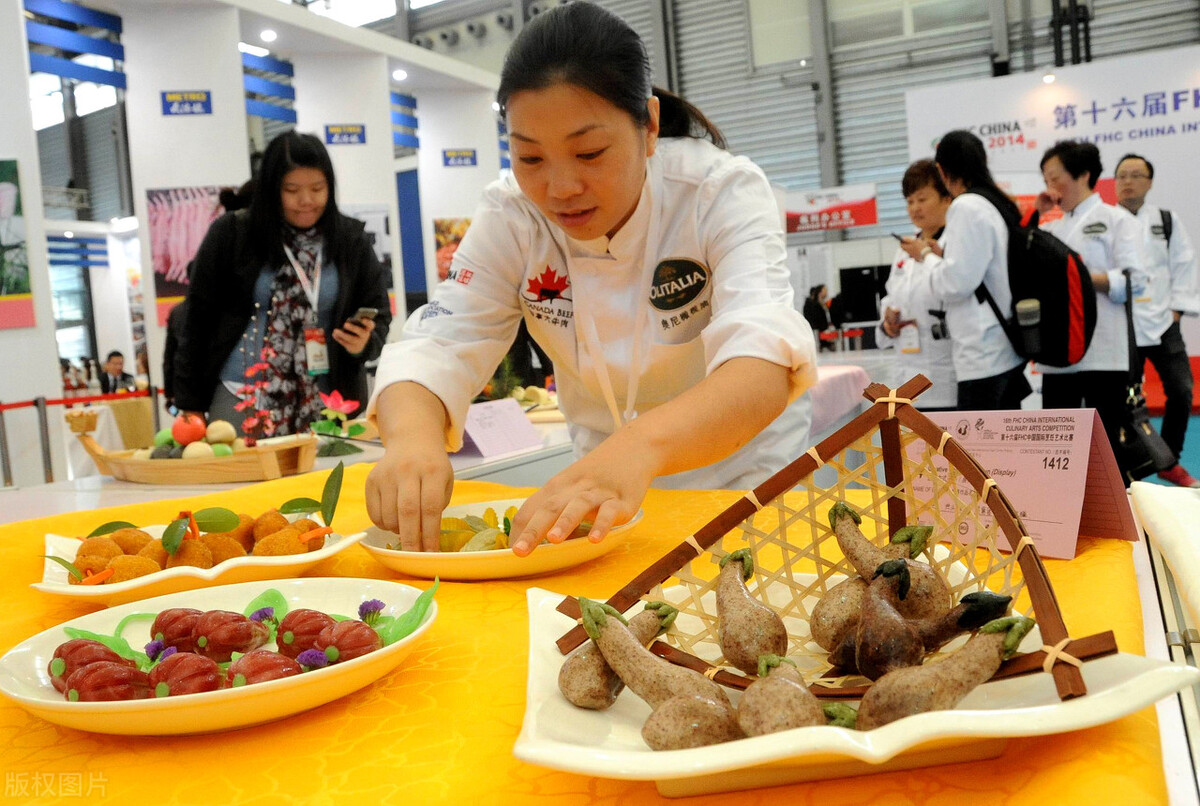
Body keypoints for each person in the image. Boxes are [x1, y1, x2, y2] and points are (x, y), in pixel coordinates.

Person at [365, 1, 817, 556]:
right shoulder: (512, 215)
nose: (560, 188)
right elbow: (440, 340)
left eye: (589, 152)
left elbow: (762, 366)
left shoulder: (717, 191)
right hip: (599, 494)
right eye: (530, 158)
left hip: (741, 477)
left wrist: (640, 445)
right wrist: (412, 440)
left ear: (649, 126)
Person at [172, 131, 392, 434]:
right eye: (292, 190)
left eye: (317, 188)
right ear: (271, 189)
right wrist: (189, 404)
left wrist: (365, 343)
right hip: (241, 398)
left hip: (328, 402)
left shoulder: (349, 240)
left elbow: (379, 313)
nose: (306, 200)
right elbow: (197, 321)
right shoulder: (232, 235)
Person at [900, 130, 1030, 410]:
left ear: (942, 170)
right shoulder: (995, 203)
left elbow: (954, 284)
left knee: (977, 439)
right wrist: (943, 257)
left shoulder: (966, 206)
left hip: (981, 353)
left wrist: (925, 255)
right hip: (1002, 346)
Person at [1035, 140, 1146, 466]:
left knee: (1106, 449)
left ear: (1083, 174)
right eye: (1046, 180)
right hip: (1058, 353)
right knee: (1056, 450)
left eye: (1055, 178)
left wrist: (1080, 278)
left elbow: (1135, 280)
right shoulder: (1049, 227)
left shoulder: (1116, 220)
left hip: (1104, 354)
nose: (1050, 187)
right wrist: (1036, 213)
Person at [1115, 153, 1200, 487]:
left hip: (1164, 322)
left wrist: (1177, 310)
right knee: (1123, 400)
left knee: (1181, 390)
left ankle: (1170, 461)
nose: (1128, 181)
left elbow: (1184, 263)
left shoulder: (1166, 220)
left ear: (1149, 182)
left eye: (1136, 175)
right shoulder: (1106, 221)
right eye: (1122, 175)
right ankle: (1126, 470)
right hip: (1122, 326)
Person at [163, 181, 257, 414]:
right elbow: (187, 344)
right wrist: (186, 402)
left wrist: (176, 395)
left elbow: (174, 355)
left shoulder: (179, 311)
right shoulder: (227, 234)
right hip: (228, 386)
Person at [878, 159, 956, 409]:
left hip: (947, 374)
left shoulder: (955, 243)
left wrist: (928, 256)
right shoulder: (904, 250)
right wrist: (888, 320)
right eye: (910, 201)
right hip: (907, 374)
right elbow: (891, 295)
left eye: (922, 199)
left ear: (947, 199)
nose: (915, 208)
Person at [803, 284, 837, 351]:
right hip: (820, 330)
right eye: (825, 290)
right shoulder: (814, 305)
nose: (826, 292)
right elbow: (816, 319)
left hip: (825, 328)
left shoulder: (823, 303)